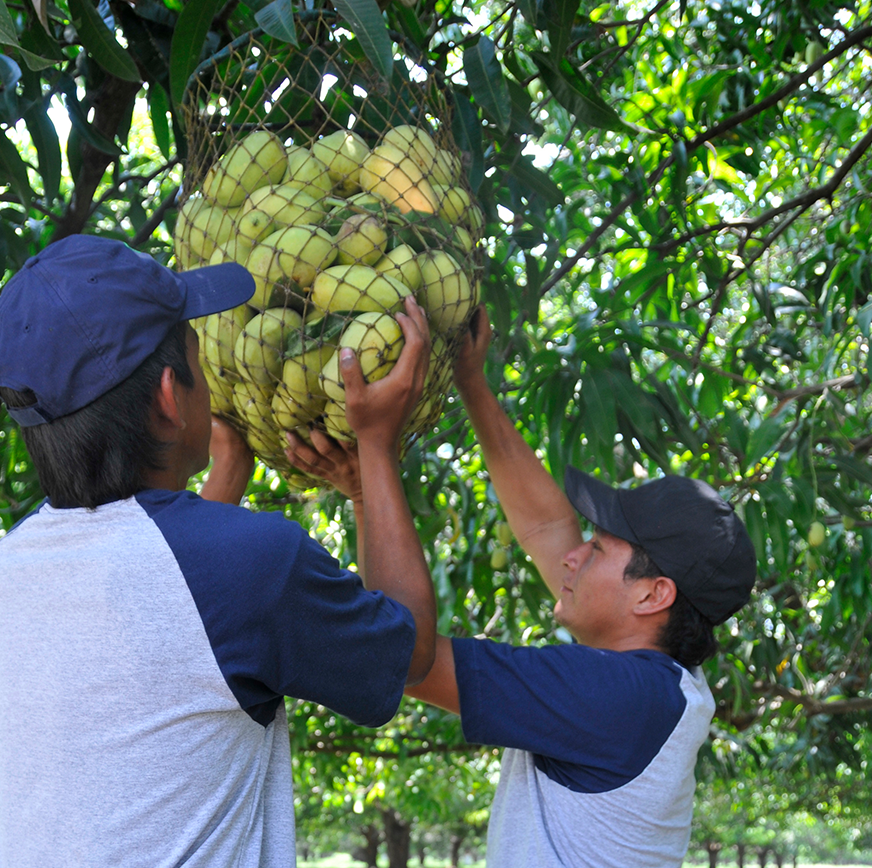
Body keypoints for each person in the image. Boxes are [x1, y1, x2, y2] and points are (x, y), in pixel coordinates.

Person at [0, 234, 436, 868]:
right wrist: (375, 451)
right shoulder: (257, 564)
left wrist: (229, 469)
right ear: (171, 397)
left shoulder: (11, 564)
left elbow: (171, 611)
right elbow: (410, 651)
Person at [286, 305, 758, 868]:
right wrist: (470, 381)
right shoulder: (666, 689)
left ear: (653, 595)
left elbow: (403, 656)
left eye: (598, 548)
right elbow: (545, 528)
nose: (572, 556)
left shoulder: (616, 696)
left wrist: (375, 450)